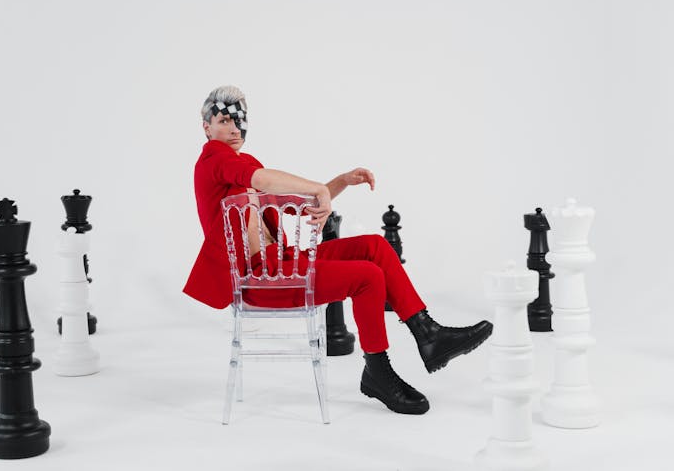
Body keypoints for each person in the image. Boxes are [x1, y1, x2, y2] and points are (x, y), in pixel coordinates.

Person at [184, 85, 493, 415]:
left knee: (374, 246)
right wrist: (318, 188)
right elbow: (266, 180)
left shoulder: (245, 164)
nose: (233, 129)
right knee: (367, 277)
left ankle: (428, 334)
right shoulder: (214, 161)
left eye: (239, 122)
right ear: (206, 127)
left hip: (283, 263)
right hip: (260, 279)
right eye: (223, 121)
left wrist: (339, 182)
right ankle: (378, 370)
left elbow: (294, 203)